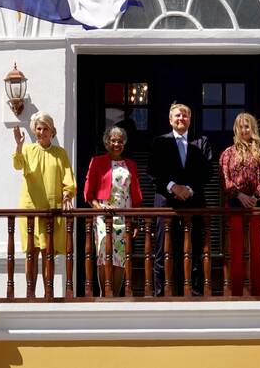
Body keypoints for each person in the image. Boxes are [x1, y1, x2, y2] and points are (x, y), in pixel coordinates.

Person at [148, 103, 213, 296]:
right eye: (177, 115)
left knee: (193, 248)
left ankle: (194, 293)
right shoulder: (159, 142)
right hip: (166, 204)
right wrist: (172, 187)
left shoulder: (202, 142)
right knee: (163, 250)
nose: (181, 118)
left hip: (193, 204)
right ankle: (161, 293)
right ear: (170, 120)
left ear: (190, 120)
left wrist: (190, 189)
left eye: (185, 116)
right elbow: (152, 171)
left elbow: (207, 171)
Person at [12, 111, 76, 285]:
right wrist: (18, 145)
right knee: (31, 253)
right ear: (34, 130)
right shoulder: (28, 150)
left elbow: (68, 179)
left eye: (45, 128)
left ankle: (49, 292)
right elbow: (18, 165)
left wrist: (67, 195)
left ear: (52, 131)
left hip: (51, 209)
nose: (42, 132)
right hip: (30, 209)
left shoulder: (60, 153)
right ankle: (30, 292)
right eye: (39, 128)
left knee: (48, 253)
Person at [219, 112, 260, 296]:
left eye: (247, 126)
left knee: (258, 250)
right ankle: (236, 291)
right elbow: (224, 178)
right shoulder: (228, 153)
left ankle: (258, 291)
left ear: (253, 127)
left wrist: (255, 196)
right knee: (236, 249)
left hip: (258, 207)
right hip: (236, 206)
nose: (244, 130)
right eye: (240, 126)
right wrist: (239, 195)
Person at [84, 126, 143, 296]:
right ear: (107, 142)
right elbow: (88, 194)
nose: (116, 144)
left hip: (124, 216)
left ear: (124, 143)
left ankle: (115, 294)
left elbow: (135, 195)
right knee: (104, 256)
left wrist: (134, 220)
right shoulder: (97, 162)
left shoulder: (130, 165)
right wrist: (99, 208)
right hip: (103, 217)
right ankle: (105, 293)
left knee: (121, 259)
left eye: (120, 141)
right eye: (113, 140)